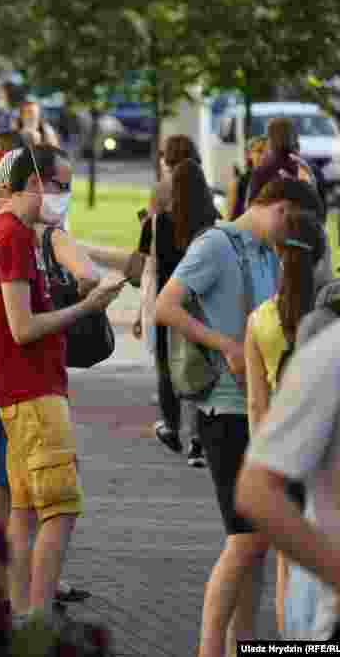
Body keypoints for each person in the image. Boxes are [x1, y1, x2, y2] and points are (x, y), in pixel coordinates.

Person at [0, 145, 124, 619]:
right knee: (61, 508)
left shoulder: (3, 232)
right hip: (33, 392)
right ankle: (36, 615)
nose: (64, 197)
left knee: (25, 507)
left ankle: (20, 611)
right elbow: (22, 327)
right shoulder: (10, 236)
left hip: (19, 390)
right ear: (35, 183)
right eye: (60, 186)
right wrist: (87, 308)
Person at [155, 171, 291, 657]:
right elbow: (164, 306)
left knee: (256, 544)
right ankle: (210, 647)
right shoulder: (216, 245)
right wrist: (226, 345)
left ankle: (243, 645)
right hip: (226, 409)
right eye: (292, 220)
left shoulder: (268, 253)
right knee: (244, 539)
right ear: (276, 206)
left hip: (261, 408)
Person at [242, 209, 325, 637]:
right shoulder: (333, 317)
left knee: (287, 570)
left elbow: (256, 403)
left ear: (277, 257)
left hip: (281, 454)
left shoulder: (260, 320)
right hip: (328, 454)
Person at [142, 153, 218, 468]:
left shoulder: (161, 220)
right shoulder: (211, 220)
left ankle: (172, 427)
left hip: (167, 298)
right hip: (200, 301)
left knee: (167, 365)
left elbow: (156, 263)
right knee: (201, 364)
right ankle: (199, 441)